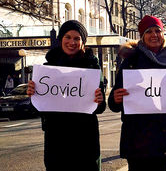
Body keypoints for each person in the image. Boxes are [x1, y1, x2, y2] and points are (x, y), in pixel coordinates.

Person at [108, 15, 166, 171]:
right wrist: (116, 98)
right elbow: (114, 103)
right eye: (149, 32)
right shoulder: (130, 62)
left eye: (158, 30)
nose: (154, 35)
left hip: (164, 136)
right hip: (137, 137)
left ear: (163, 34)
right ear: (142, 36)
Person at [26, 20, 106, 171]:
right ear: (61, 39)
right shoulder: (48, 68)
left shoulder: (92, 67)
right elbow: (38, 109)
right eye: (68, 37)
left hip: (85, 142)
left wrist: (99, 101)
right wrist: (33, 95)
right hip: (56, 141)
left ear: (83, 42)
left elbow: (100, 108)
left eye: (77, 38)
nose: (72, 42)